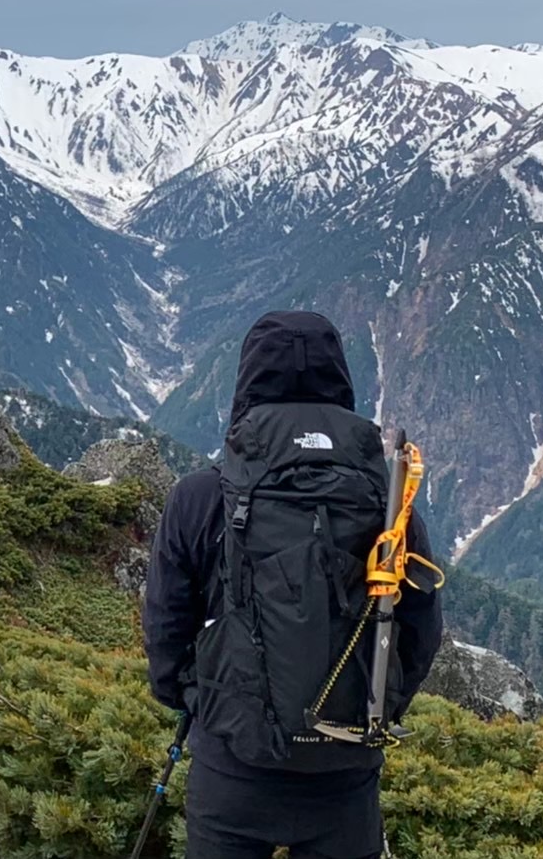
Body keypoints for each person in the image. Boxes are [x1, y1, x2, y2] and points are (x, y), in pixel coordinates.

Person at [143, 310, 443, 859]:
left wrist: (200, 700)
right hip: (345, 778)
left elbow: (166, 627)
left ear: (247, 382)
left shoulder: (200, 496)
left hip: (230, 770)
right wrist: (380, 705)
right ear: (341, 380)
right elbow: (421, 629)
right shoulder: (388, 505)